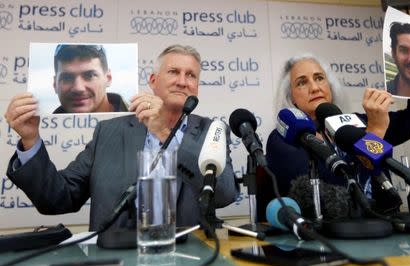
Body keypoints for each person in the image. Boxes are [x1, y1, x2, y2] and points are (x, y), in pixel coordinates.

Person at [4, 44, 239, 230]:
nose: (182, 81)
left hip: (188, 254)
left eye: (191, 76)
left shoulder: (213, 131)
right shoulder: (109, 131)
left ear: (196, 87)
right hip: (114, 255)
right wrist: (30, 140)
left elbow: (225, 194)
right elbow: (58, 198)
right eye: (173, 72)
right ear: (153, 81)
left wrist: (164, 133)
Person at [267, 15, 410, 214]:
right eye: (302, 82)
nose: (315, 87)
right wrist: (375, 132)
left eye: (319, 78)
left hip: (385, 229)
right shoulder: (283, 138)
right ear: (291, 97)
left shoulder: (357, 122)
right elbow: (326, 197)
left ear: (331, 87)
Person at [52, 44, 128, 113]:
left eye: (90, 76)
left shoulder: (138, 122)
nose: (78, 88)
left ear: (108, 79)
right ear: (55, 84)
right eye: (67, 78)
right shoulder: (41, 127)